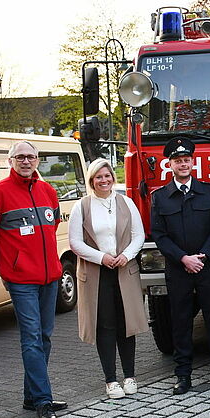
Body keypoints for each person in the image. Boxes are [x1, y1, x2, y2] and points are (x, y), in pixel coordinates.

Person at [0, 141, 64, 418]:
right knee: (32, 338)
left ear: (37, 160)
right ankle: (43, 401)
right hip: (22, 281)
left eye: (31, 157)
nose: (26, 161)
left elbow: (52, 226)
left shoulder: (48, 191)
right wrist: (5, 268)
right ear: (10, 161)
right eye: (20, 157)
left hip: (50, 278)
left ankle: (32, 395)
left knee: (45, 336)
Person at [150, 137, 210, 395]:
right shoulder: (160, 197)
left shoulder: (209, 192)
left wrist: (203, 256)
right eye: (178, 161)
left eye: (186, 160)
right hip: (178, 269)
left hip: (206, 267)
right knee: (181, 322)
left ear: (193, 162)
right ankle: (183, 375)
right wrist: (183, 259)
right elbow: (159, 235)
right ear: (170, 165)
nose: (183, 164)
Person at [69, 159, 149, 399]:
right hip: (98, 272)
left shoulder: (126, 202)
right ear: (91, 180)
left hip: (124, 270)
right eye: (98, 177)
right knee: (105, 325)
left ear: (113, 177)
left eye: (107, 176)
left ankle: (130, 376)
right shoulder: (82, 206)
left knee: (127, 323)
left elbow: (138, 235)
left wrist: (126, 255)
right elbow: (75, 242)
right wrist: (101, 257)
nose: (104, 181)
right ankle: (111, 380)